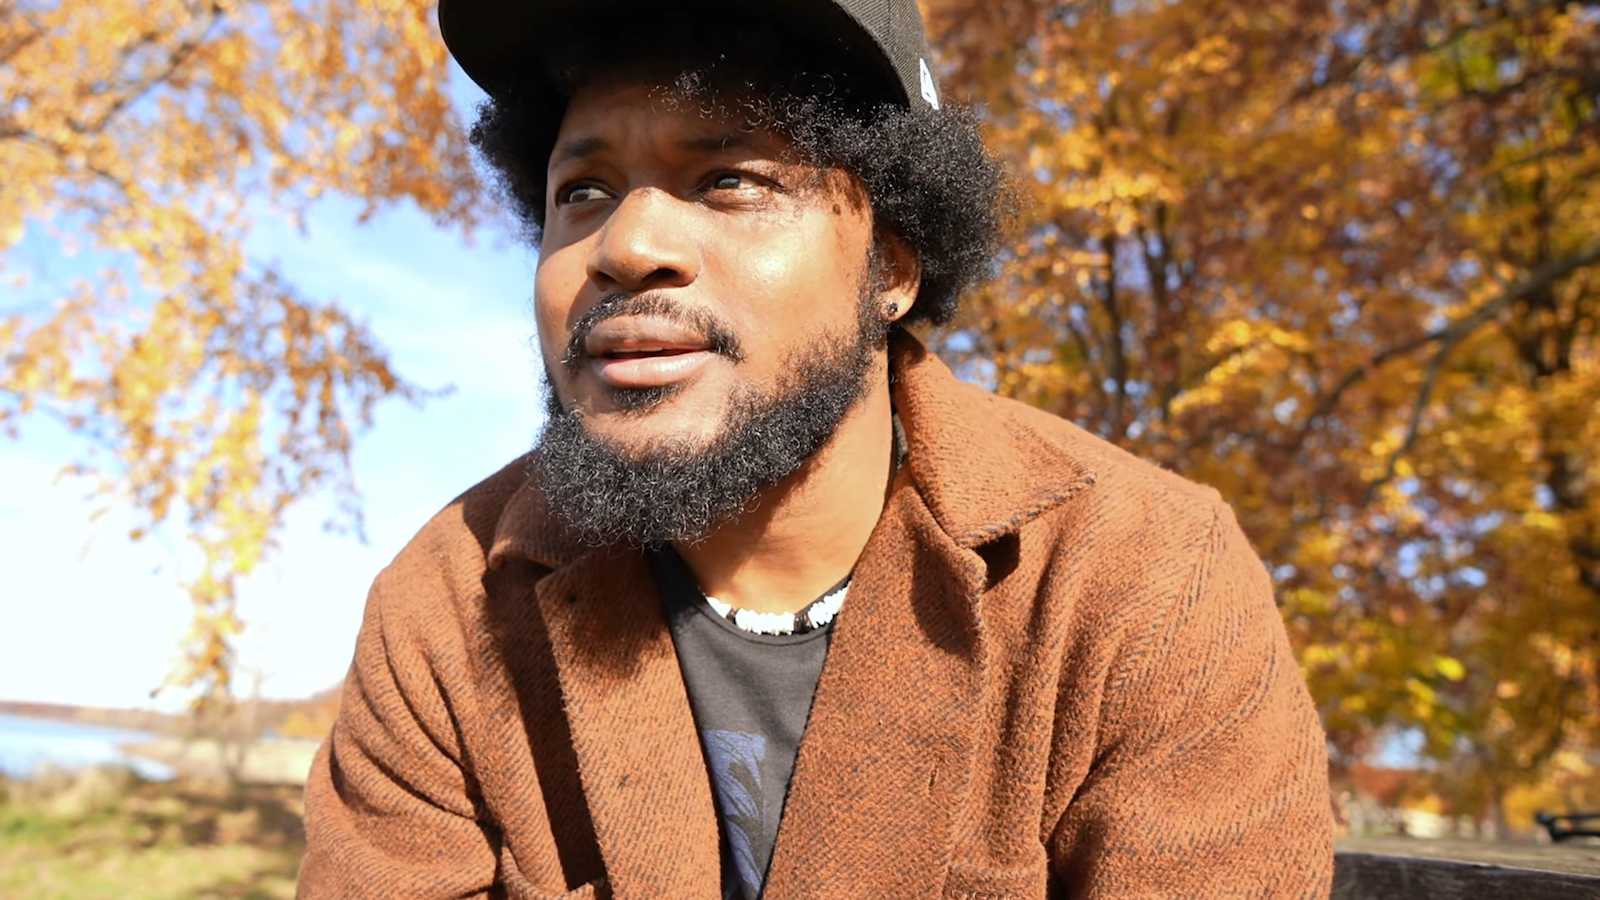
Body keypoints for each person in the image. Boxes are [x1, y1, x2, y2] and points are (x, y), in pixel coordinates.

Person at [297, 0, 1336, 897]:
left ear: (890, 266)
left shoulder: (1143, 585)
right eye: (585, 191)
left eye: (728, 182)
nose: (625, 247)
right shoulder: (450, 605)